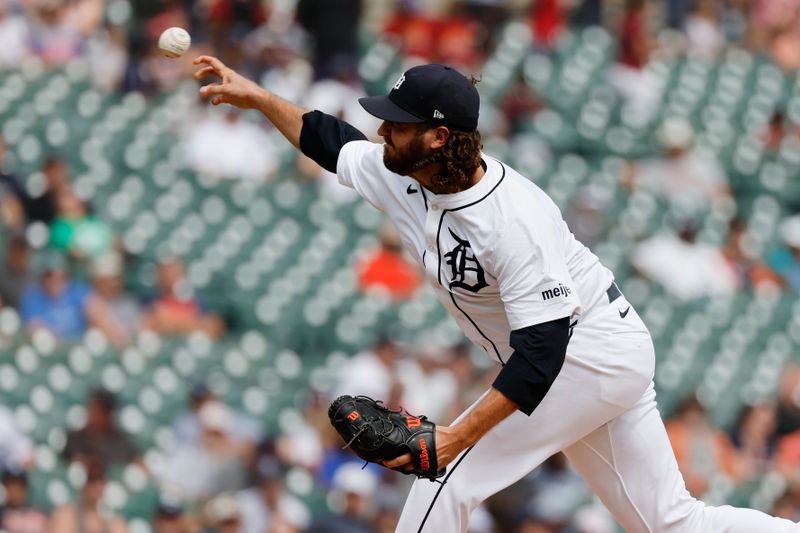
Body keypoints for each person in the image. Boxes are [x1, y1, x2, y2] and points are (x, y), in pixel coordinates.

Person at [191, 55, 800, 532]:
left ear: (435, 138)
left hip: (586, 352)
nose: (382, 128)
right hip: (586, 353)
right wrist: (257, 96)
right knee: (670, 521)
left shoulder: (512, 219)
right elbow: (328, 139)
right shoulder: (400, 171)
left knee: (446, 474)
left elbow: (541, 353)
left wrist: (451, 439)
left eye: (396, 122)